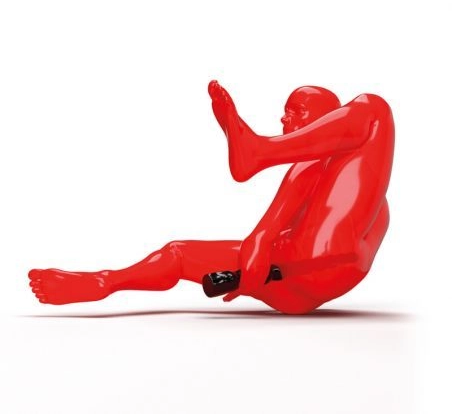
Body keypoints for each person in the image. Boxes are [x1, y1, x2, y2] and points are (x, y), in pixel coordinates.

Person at [29, 80, 394, 314]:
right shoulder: (319, 177)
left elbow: (269, 233)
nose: (285, 120)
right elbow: (269, 234)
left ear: (333, 121)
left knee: (374, 108)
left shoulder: (326, 174)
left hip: (296, 274)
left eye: (295, 113)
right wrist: (258, 256)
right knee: (178, 253)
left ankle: (260, 151)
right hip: (297, 275)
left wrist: (259, 251)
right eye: (285, 114)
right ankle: (102, 282)